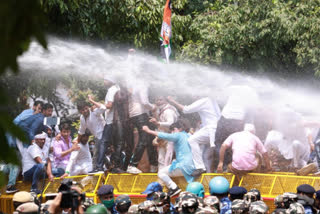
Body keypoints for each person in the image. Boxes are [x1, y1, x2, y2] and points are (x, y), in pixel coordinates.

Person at [167, 96, 221, 174]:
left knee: (192, 140)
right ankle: (209, 176)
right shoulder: (212, 99)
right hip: (216, 129)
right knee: (206, 156)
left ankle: (200, 167)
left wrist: (173, 101)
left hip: (211, 129)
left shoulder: (204, 100)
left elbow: (186, 110)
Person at [142, 119, 196, 197]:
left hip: (184, 166)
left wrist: (148, 130)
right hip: (192, 165)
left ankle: (174, 188)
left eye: (173, 130)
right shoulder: (188, 135)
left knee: (161, 173)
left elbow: (166, 136)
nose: (172, 132)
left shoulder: (179, 134)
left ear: (180, 129)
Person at [126, 82, 158, 174]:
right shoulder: (143, 84)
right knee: (144, 140)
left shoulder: (132, 84)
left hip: (134, 114)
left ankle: (153, 165)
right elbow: (144, 102)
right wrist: (153, 107)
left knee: (149, 139)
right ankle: (132, 165)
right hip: (140, 114)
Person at [98, 75, 126, 173]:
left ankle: (99, 166)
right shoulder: (118, 88)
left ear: (110, 80)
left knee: (103, 143)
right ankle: (116, 165)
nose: (104, 81)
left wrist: (96, 103)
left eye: (105, 80)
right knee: (117, 144)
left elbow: (109, 105)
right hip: (118, 121)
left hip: (110, 121)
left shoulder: (111, 90)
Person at [149, 96, 179, 171]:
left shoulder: (168, 110)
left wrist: (157, 123)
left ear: (166, 101)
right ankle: (161, 175)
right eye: (157, 100)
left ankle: (168, 175)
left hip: (171, 136)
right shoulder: (162, 110)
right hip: (164, 136)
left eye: (161, 100)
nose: (158, 102)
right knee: (161, 158)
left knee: (169, 157)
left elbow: (171, 123)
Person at [76, 99, 106, 173]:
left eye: (86, 108)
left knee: (96, 153)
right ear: (80, 111)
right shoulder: (82, 118)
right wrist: (76, 142)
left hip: (104, 134)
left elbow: (103, 108)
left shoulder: (94, 111)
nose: (85, 111)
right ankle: (101, 169)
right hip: (97, 137)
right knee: (100, 154)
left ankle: (97, 169)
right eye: (83, 110)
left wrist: (92, 101)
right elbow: (81, 131)